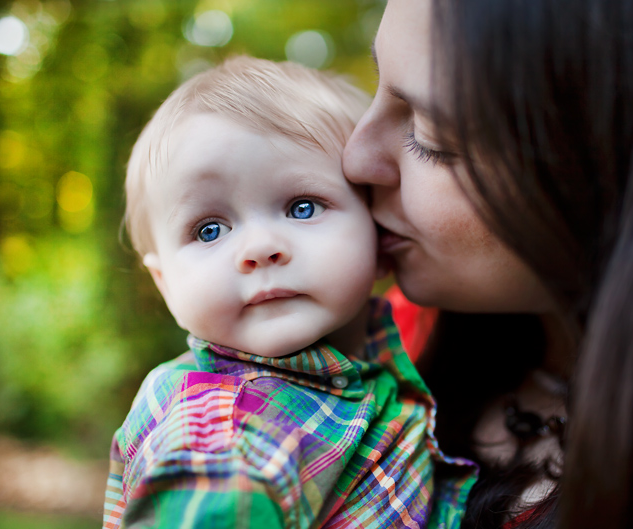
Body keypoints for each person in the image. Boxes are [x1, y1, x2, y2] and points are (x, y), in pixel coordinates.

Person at [342, 0, 633, 527]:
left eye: (431, 135)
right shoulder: (374, 345)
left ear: (623, 165)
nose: (356, 159)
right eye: (378, 83)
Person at [102, 56, 475, 529]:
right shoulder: (227, 429)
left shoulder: (357, 371)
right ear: (164, 284)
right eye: (210, 229)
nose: (258, 248)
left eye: (301, 207)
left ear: (379, 234)